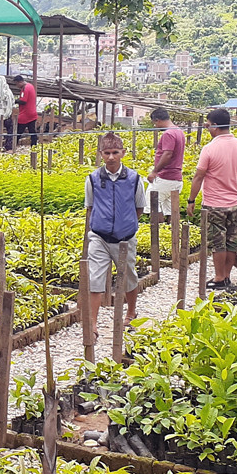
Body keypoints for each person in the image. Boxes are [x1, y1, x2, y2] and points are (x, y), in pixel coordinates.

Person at [85, 132, 145, 336]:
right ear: (101, 154)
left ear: (123, 153)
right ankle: (92, 323)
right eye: (107, 153)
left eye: (115, 152)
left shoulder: (135, 178)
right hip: (99, 236)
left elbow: (139, 208)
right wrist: (95, 226)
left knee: (129, 276)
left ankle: (131, 312)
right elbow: (90, 207)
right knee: (95, 278)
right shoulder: (93, 179)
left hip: (125, 237)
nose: (111, 157)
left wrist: (126, 223)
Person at [187, 108, 237, 289]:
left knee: (218, 242)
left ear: (215, 126)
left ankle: (218, 277)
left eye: (208, 125)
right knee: (232, 240)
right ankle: (226, 275)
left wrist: (191, 200)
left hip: (214, 204)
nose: (207, 129)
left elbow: (198, 177)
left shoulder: (210, 149)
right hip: (235, 204)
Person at [146, 108, 186, 217]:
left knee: (152, 201)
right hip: (176, 178)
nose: (155, 126)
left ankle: (158, 231)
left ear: (157, 120)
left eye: (155, 123)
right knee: (169, 209)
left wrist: (154, 172)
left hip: (165, 177)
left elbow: (167, 154)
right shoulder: (179, 131)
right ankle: (171, 232)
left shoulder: (168, 134)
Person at [13, 75, 38, 147]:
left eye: (16, 84)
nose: (16, 86)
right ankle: (34, 146)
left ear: (19, 82)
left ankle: (13, 146)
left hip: (25, 114)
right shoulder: (30, 86)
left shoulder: (25, 88)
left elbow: (23, 101)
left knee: (18, 131)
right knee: (32, 131)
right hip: (32, 113)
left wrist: (15, 101)